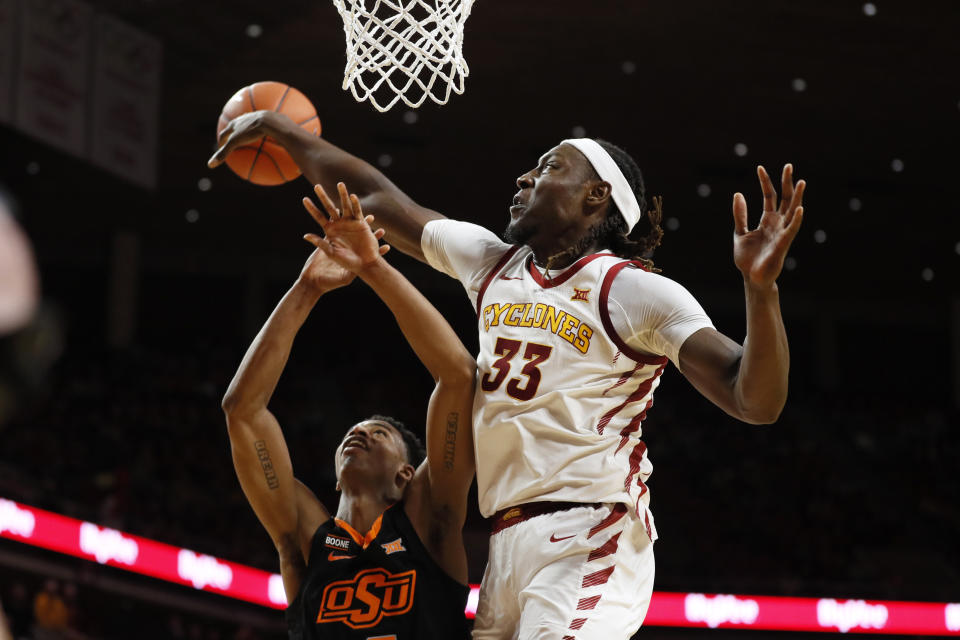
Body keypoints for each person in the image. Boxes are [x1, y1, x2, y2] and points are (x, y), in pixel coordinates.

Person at [210, 114, 805, 639]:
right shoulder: (491, 262)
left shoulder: (636, 290)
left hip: (590, 526)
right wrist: (283, 130)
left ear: (596, 196)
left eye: (547, 168)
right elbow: (372, 198)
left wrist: (760, 290)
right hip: (507, 540)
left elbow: (754, 401)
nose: (523, 179)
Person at [221, 183, 477, 639]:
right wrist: (306, 288)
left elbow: (458, 376)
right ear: (337, 474)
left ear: (405, 474)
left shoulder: (429, 518)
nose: (358, 433)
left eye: (378, 433)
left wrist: (373, 267)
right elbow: (242, 411)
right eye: (354, 432)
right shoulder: (304, 542)